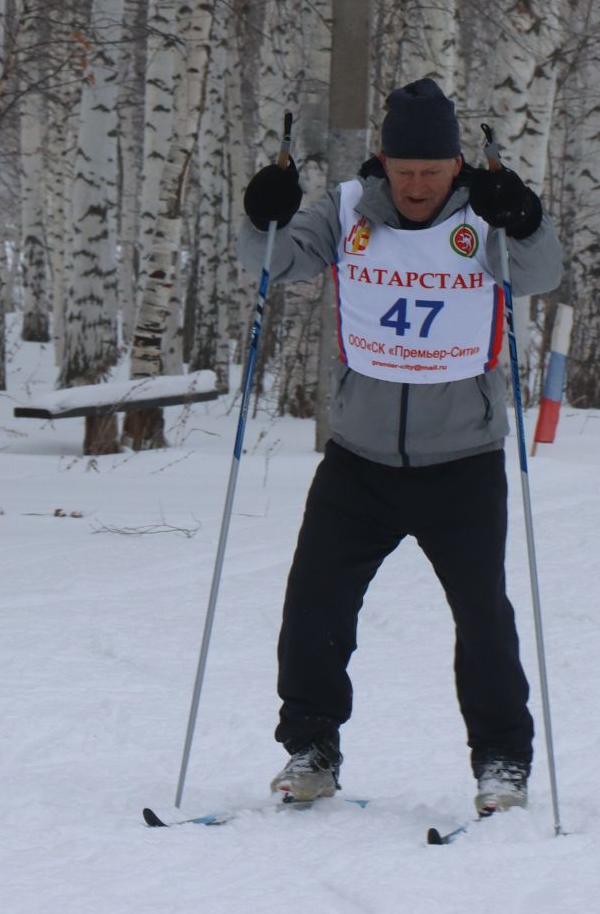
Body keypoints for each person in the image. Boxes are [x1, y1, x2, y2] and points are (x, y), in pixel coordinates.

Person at [237, 78, 563, 815]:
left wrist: (528, 221)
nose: (417, 187)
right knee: (315, 603)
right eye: (405, 170)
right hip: (360, 458)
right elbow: (270, 263)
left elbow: (543, 274)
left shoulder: (486, 215)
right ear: (384, 159)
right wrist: (262, 216)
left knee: (484, 616)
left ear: (457, 166)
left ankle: (503, 759)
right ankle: (311, 748)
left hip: (464, 459)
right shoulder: (349, 210)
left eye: (432, 172)